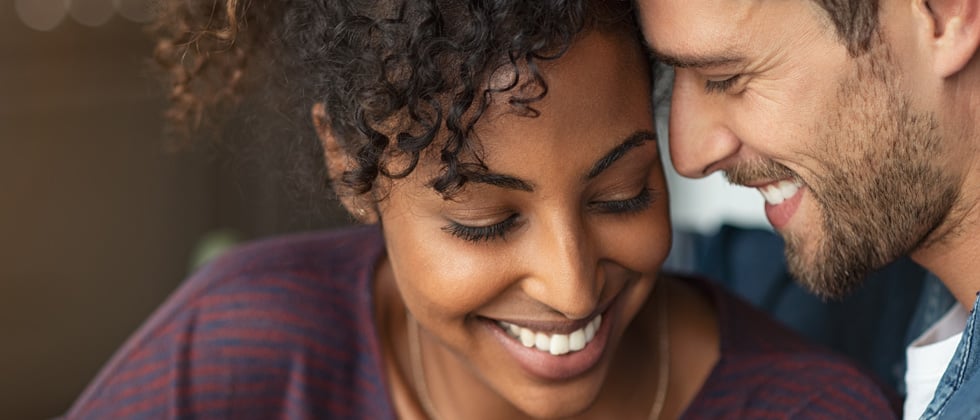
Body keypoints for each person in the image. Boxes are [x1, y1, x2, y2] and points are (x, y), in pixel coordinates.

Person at [67, 0, 896, 418]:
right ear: (352, 168)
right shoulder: (242, 354)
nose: (572, 289)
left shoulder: (805, 407)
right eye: (485, 222)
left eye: (621, 196)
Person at [635, 0, 980, 418]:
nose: (687, 157)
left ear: (945, 14)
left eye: (726, 78)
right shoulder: (884, 288)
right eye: (672, 77)